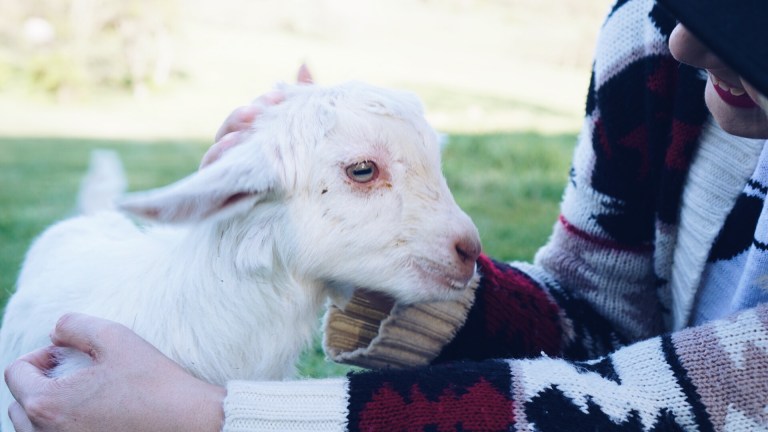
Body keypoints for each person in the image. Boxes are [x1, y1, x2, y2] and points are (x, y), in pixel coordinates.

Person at [5, 0, 768, 430]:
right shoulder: (648, 44)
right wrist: (386, 272)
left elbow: (728, 398)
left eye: (749, 27)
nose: (683, 41)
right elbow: (603, 319)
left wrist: (217, 416)